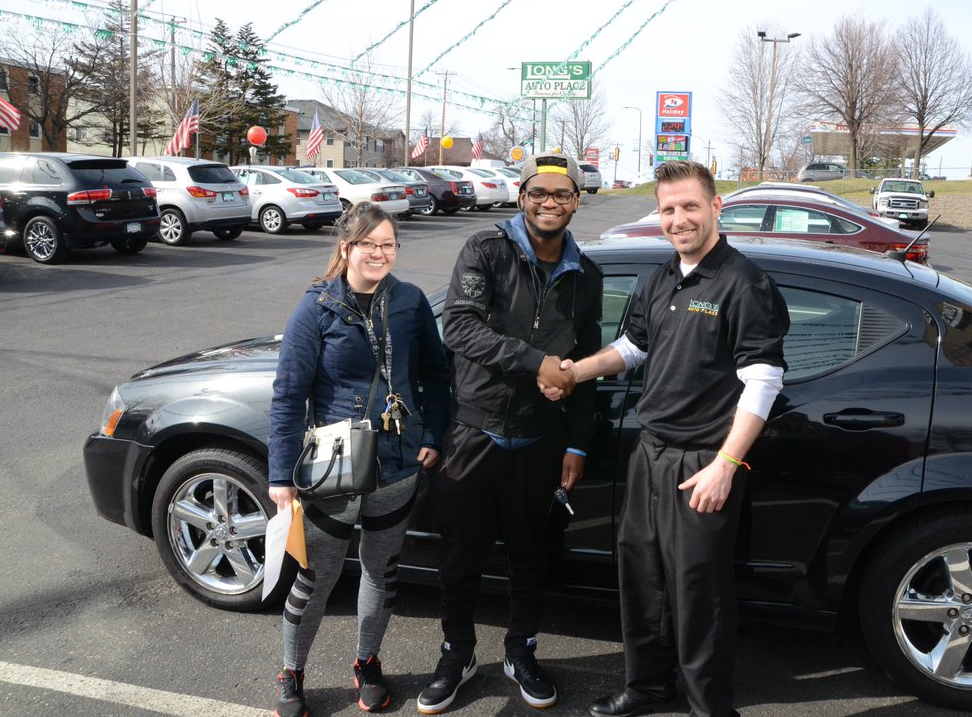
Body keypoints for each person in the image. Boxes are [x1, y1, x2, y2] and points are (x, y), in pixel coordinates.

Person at [552, 160, 789, 717]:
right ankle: (647, 688)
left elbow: (764, 378)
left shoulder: (744, 283)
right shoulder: (659, 278)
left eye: (689, 206)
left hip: (703, 461)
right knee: (642, 580)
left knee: (697, 595)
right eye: (667, 209)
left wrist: (726, 464)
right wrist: (574, 373)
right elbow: (633, 348)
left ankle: (709, 707)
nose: (678, 219)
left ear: (716, 208)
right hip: (650, 453)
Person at [415, 153, 603, 714]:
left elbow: (587, 361)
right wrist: (534, 360)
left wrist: (577, 441)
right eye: (539, 193)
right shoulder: (486, 249)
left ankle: (521, 652)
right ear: (522, 197)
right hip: (474, 431)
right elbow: (460, 328)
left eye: (562, 194)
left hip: (540, 439)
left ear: (575, 201)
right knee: (460, 555)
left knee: (530, 553)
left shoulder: (585, 276)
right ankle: (458, 654)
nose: (550, 203)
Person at [267, 202, 450, 717]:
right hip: (335, 465)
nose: (379, 253)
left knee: (381, 569)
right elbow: (288, 394)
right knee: (316, 576)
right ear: (346, 248)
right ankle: (291, 673)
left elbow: (436, 375)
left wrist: (432, 431)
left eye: (388, 244)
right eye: (369, 244)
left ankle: (367, 661)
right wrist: (281, 474)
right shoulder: (316, 308)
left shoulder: (411, 303)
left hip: (397, 462)